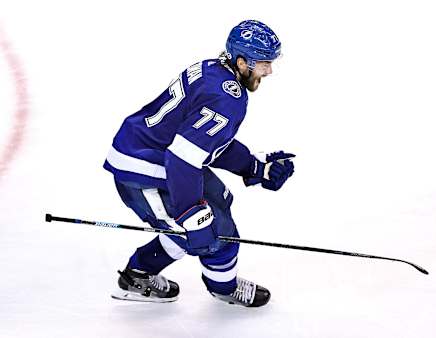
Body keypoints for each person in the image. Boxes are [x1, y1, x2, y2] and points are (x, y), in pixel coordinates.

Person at [103, 19, 295, 307]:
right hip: (144, 170)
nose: (269, 71)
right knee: (211, 233)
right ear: (242, 61)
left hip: (153, 155)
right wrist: (191, 212)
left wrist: (254, 167)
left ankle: (142, 270)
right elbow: (183, 156)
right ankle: (222, 287)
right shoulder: (228, 98)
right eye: (263, 63)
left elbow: (203, 142)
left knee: (217, 206)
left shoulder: (213, 71)